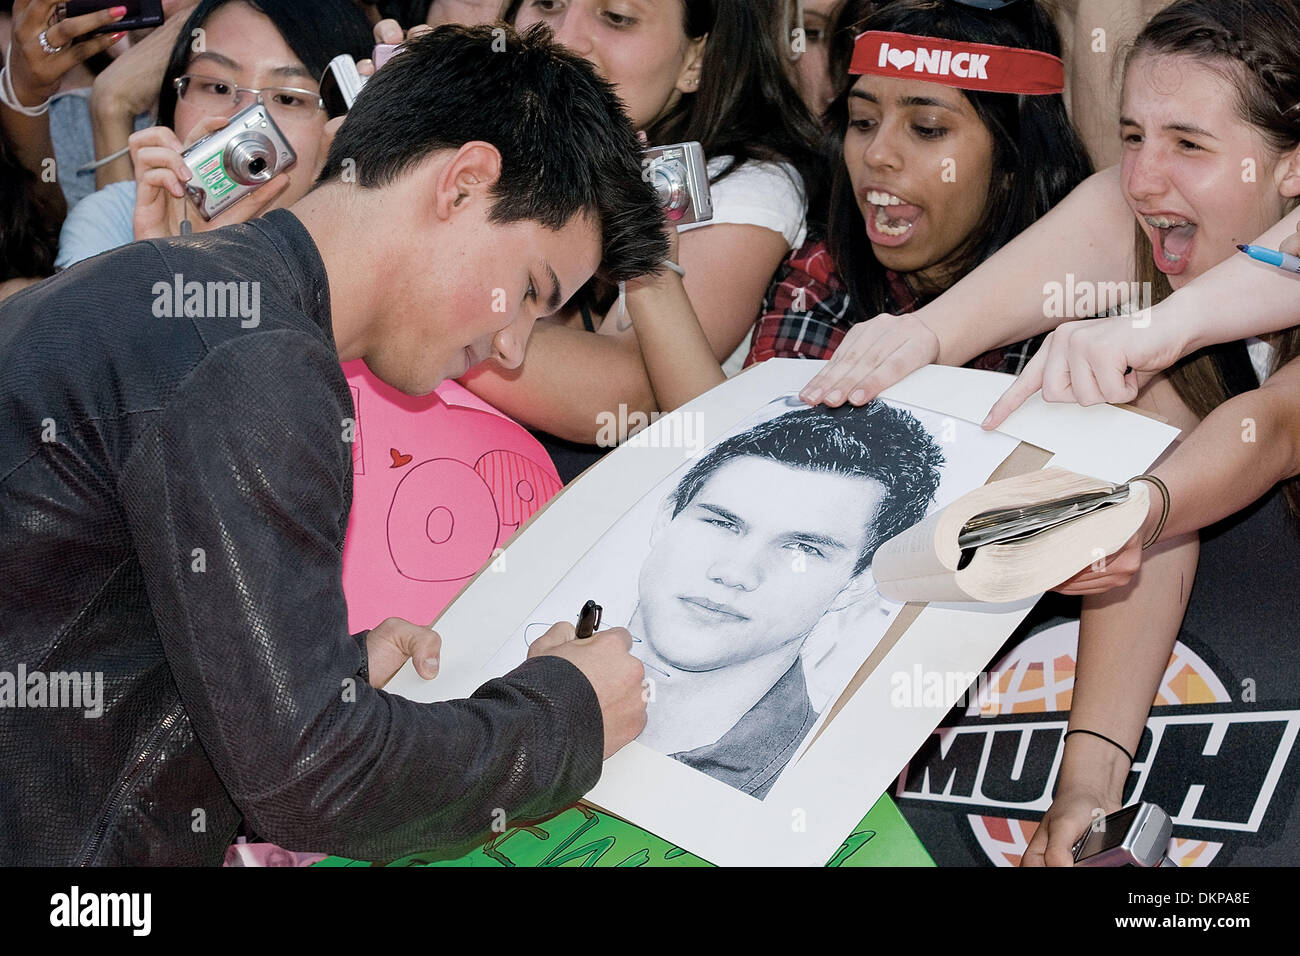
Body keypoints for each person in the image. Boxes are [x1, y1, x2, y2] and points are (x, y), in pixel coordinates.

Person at [0, 24, 666, 866]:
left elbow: (100, 637)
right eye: (529, 291)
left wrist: (320, 667)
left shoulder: (195, 303)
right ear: (463, 184)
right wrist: (570, 715)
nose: (514, 348)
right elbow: (315, 779)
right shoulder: (252, 357)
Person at [451, 0, 823, 478]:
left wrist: (394, 292)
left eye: (617, 18)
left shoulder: (745, 184)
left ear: (696, 61)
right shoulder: (497, 140)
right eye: (548, 3)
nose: (566, 40)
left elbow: (613, 395)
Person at [747, 0, 1091, 377]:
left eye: (927, 128)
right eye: (863, 122)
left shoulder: (1084, 309)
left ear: (1014, 161)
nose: (877, 154)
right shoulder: (821, 278)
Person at [630, 402, 944, 798]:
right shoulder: (530, 675)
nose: (735, 572)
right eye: (721, 523)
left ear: (858, 582)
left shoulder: (819, 798)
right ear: (666, 518)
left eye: (802, 549)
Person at [55, 0, 372, 268]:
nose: (242, 121)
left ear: (344, 122)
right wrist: (169, 258)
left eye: (287, 98)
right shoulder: (115, 218)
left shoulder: (373, 250)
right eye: (218, 87)